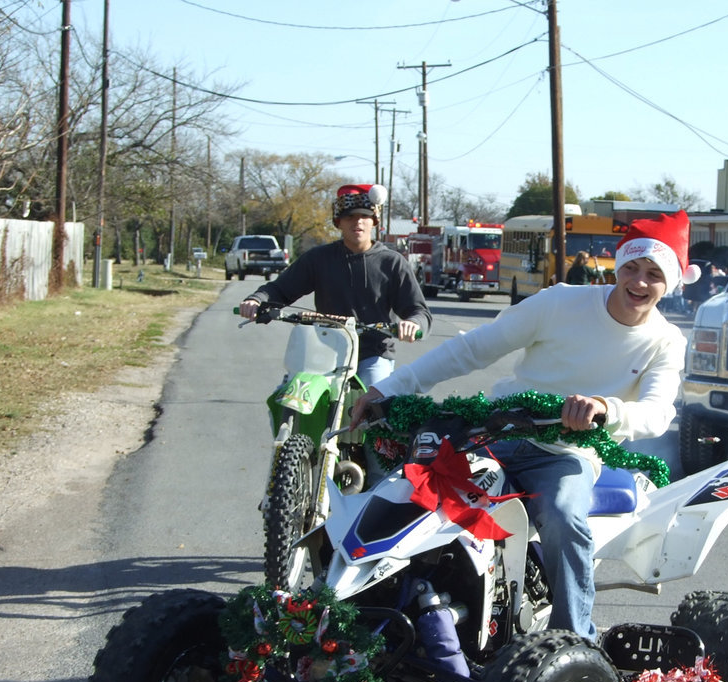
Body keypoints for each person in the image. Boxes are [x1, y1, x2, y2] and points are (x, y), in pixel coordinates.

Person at [350, 210, 694, 640]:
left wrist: (604, 407)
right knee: (411, 491)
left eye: (654, 274)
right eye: (632, 268)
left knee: (564, 516)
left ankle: (575, 641)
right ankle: (371, 616)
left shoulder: (666, 341)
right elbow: (473, 348)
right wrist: (389, 388)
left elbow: (657, 412)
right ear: (618, 266)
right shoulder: (560, 302)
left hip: (568, 453)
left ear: (671, 283)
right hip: (495, 433)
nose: (639, 282)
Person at [237, 184, 431, 388]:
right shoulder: (319, 258)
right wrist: (256, 300)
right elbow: (280, 289)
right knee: (289, 394)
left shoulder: (392, 263)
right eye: (350, 216)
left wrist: (413, 324)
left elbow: (419, 311)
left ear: (374, 221)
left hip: (373, 353)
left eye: (364, 216)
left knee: (377, 396)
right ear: (338, 222)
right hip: (322, 351)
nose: (358, 222)